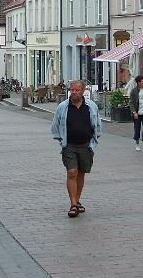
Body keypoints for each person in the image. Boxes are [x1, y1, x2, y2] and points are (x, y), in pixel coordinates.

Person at [50, 80, 102, 218]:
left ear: (82, 91)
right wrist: (61, 141)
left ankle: (77, 200)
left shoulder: (90, 106)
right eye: (72, 90)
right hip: (69, 145)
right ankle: (73, 204)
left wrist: (93, 144)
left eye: (76, 90)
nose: (73, 92)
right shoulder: (63, 107)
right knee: (72, 171)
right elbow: (55, 124)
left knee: (81, 173)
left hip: (86, 145)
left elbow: (97, 125)